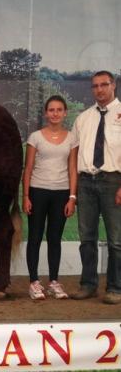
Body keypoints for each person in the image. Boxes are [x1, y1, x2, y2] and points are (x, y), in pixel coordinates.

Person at [71, 70, 121, 305]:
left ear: (114, 85)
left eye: (104, 85)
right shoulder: (83, 118)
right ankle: (88, 285)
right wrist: (74, 190)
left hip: (113, 181)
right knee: (87, 238)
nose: (99, 90)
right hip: (86, 182)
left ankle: (115, 288)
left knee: (116, 240)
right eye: (95, 86)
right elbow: (73, 154)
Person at [22, 95, 78, 300]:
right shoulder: (35, 137)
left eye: (59, 110)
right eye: (51, 110)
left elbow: (73, 168)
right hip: (38, 191)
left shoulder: (72, 138)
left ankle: (54, 281)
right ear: (46, 113)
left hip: (61, 193)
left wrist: (72, 197)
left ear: (65, 113)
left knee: (55, 238)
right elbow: (28, 168)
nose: (55, 113)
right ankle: (34, 282)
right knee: (35, 238)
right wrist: (26, 196)